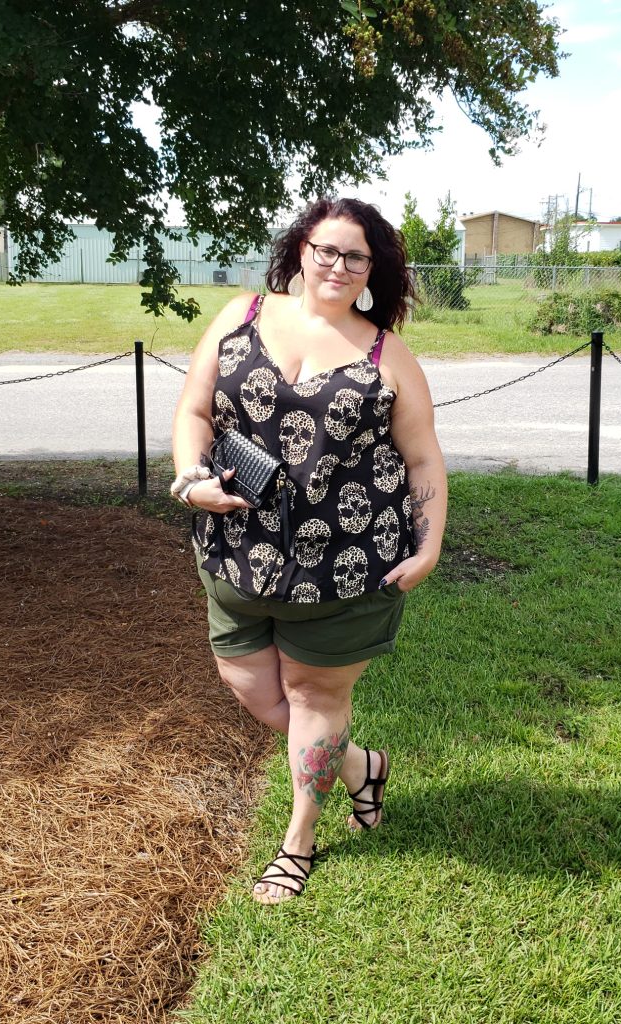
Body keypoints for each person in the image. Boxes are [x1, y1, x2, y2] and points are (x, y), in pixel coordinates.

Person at [172, 197, 447, 904]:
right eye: (326, 249)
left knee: (313, 695)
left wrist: (429, 544)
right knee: (255, 693)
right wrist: (190, 480)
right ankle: (361, 766)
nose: (337, 265)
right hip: (236, 553)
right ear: (300, 249)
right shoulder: (240, 316)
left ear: (372, 271)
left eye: (355, 256)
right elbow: (195, 411)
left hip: (346, 567)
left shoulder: (387, 354)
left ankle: (297, 843)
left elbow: (421, 461)